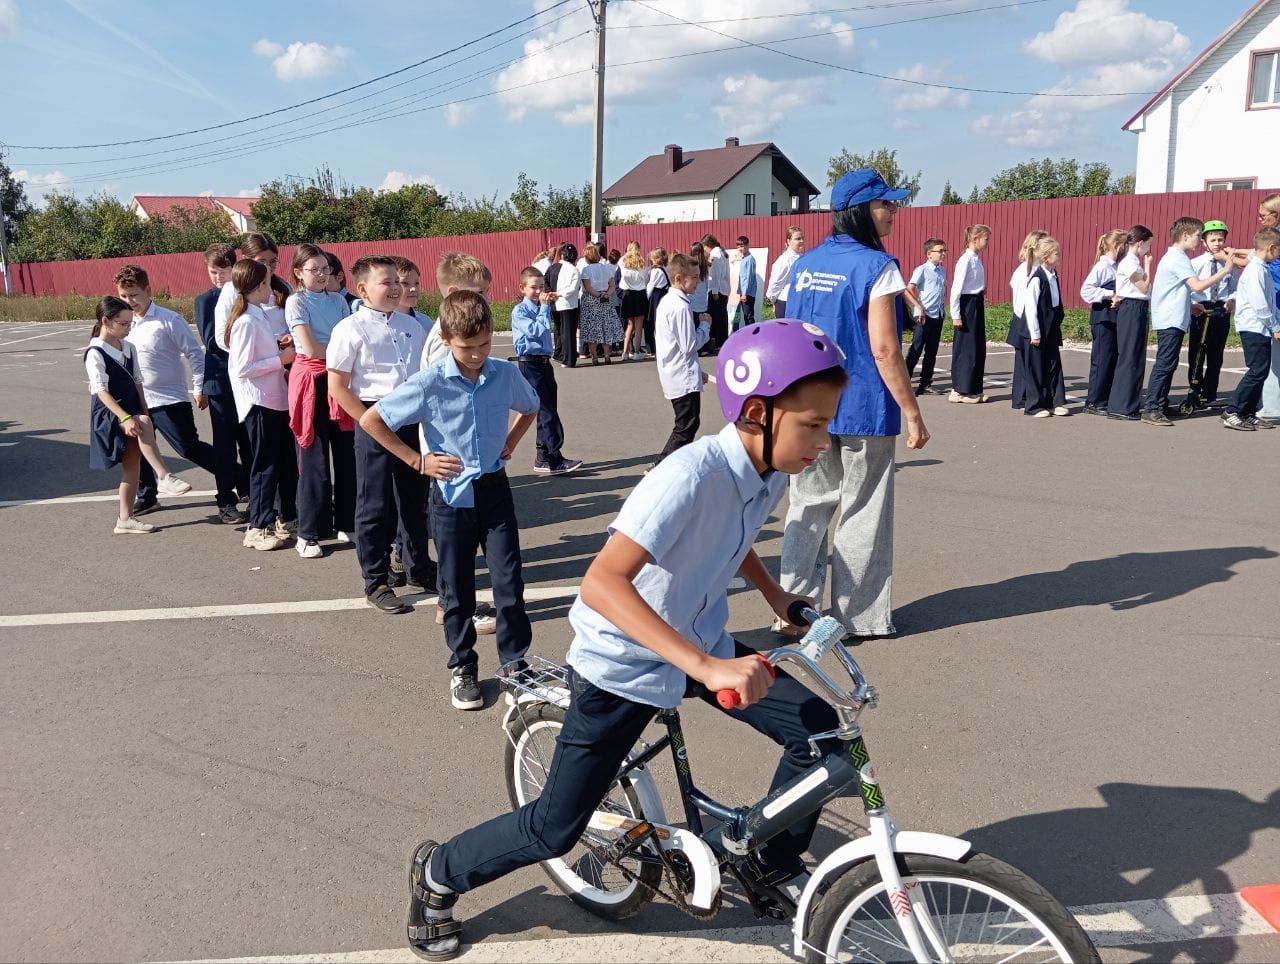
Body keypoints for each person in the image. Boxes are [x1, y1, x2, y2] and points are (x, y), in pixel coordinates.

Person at [403, 320, 851, 963]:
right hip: (625, 662)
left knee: (822, 735)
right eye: (813, 424)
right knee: (555, 828)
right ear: (759, 412)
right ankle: (437, 872)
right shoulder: (690, 473)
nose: (824, 440)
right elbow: (603, 583)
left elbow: (732, 534)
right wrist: (708, 665)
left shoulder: (770, 467)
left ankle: (766, 859)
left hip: (697, 642)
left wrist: (776, 597)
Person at [361, 290, 540, 711]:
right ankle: (463, 666)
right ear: (445, 337)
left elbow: (530, 407)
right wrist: (416, 460)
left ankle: (515, 663)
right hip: (450, 495)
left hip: (494, 490)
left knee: (509, 583)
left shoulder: (502, 373)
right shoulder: (429, 382)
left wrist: (510, 443)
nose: (476, 355)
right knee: (455, 589)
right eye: (466, 347)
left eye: (482, 345)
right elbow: (373, 419)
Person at [778, 168, 931, 640]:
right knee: (863, 508)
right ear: (862, 210)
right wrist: (913, 411)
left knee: (807, 505)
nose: (894, 211)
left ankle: (792, 610)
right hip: (864, 405)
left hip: (808, 404)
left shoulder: (804, 265)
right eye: (887, 204)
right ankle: (856, 617)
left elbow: (790, 333)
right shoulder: (877, 266)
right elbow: (885, 349)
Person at [327, 255, 431, 614]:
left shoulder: (412, 326)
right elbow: (338, 387)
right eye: (386, 283)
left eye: (397, 283)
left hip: (412, 414)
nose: (396, 289)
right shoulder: (349, 329)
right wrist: (369, 420)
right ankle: (376, 578)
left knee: (415, 497)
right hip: (373, 415)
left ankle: (418, 565)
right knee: (375, 503)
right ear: (362, 289)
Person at [114, 265, 209, 516]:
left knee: (188, 447)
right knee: (138, 450)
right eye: (123, 296)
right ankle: (147, 496)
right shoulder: (122, 324)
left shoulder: (169, 319)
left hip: (168, 397)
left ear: (148, 290)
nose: (129, 301)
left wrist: (199, 387)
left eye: (133, 294)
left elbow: (195, 354)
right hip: (136, 399)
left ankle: (238, 478)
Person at [84, 296, 181, 535]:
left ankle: (124, 519)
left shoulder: (128, 347)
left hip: (131, 407)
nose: (128, 328)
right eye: (123, 323)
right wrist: (127, 418)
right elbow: (100, 391)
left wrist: (142, 409)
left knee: (132, 465)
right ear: (106, 321)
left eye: (130, 323)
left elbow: (137, 380)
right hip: (110, 412)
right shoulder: (95, 351)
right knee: (142, 429)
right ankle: (163, 475)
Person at [285, 243, 355, 558]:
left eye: (326, 268)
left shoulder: (339, 301)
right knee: (314, 460)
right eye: (315, 269)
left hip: (339, 379)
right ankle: (308, 532)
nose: (322, 274)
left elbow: (348, 342)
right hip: (311, 381)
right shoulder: (295, 302)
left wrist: (341, 352)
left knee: (347, 455)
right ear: (299, 273)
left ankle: (346, 521)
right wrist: (340, 352)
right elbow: (311, 349)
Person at [225, 259, 299, 551]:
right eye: (268, 281)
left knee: (283, 464)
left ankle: (282, 518)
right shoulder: (245, 320)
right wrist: (280, 360)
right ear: (259, 286)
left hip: (274, 399)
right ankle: (257, 526)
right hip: (259, 402)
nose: (272, 287)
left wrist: (278, 347)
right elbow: (243, 367)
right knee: (265, 466)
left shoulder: (257, 316)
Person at [1143, 217, 1237, 427]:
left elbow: (1179, 288)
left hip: (1177, 315)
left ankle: (1161, 403)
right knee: (1165, 364)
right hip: (1170, 318)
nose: (1198, 240)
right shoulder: (1178, 258)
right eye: (1197, 236)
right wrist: (1226, 268)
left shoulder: (1178, 257)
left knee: (1170, 363)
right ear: (1185, 235)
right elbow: (1197, 286)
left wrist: (1190, 305)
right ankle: (1151, 408)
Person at [194, 244, 250, 523]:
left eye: (223, 271)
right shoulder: (206, 300)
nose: (218, 277)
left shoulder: (245, 292)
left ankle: (251, 490)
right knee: (225, 444)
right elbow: (212, 341)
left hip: (246, 378)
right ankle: (225, 499)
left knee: (248, 440)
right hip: (220, 380)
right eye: (213, 271)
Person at [512, 266, 582, 476]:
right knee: (546, 412)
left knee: (549, 408)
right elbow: (535, 331)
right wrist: (544, 307)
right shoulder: (521, 311)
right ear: (522, 288)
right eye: (534, 287)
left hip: (544, 362)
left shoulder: (540, 307)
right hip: (530, 363)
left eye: (541, 286)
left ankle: (543, 456)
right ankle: (552, 458)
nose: (539, 291)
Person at [653, 251, 711, 463]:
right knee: (687, 424)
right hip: (681, 376)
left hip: (679, 372)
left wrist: (697, 371)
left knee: (688, 422)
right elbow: (689, 345)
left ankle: (668, 464)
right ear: (679, 278)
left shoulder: (670, 302)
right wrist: (705, 326)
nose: (698, 281)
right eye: (694, 277)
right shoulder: (679, 306)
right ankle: (663, 465)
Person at [1222, 226, 1280, 432]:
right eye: (1279, 250)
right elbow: (1260, 304)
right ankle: (1232, 411)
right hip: (1254, 327)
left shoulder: (1262, 267)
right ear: (1271, 248)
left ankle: (1247, 412)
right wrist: (1274, 325)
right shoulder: (1255, 270)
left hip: (1261, 327)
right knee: (1257, 371)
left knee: (1261, 371)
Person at [1009, 236, 1066, 418]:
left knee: (1053, 364)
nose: (1059, 256)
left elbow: (1055, 303)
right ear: (1046, 257)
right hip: (1037, 329)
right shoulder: (1036, 279)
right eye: (1056, 253)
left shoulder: (1053, 275)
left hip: (1050, 328)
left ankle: (1054, 402)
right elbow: (1030, 308)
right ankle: (1034, 405)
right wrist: (1035, 333)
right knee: (1036, 368)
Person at [1186, 220, 1236, 411]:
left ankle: (1210, 392)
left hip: (1220, 308)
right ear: (1204, 242)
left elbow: (1233, 288)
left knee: (1216, 354)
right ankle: (1194, 389)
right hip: (1201, 307)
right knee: (1198, 351)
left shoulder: (1229, 265)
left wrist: (1232, 299)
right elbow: (1189, 288)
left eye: (1220, 239)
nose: (1217, 243)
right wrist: (1193, 304)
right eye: (1213, 239)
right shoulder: (1195, 263)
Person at [1108, 225, 1154, 422]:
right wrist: (1149, 265)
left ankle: (1128, 403)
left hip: (1137, 308)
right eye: (1149, 244)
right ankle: (1122, 405)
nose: (1149, 249)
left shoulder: (1132, 262)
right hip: (1132, 307)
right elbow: (1143, 287)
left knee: (1135, 356)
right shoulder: (1130, 263)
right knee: (1130, 356)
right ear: (1141, 243)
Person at [1080, 230, 1128, 416]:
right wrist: (1109, 295)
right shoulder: (1102, 267)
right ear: (1117, 246)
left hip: (1114, 318)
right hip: (1103, 318)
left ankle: (1105, 398)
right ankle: (1094, 401)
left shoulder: (1116, 266)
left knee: (1112, 359)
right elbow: (1086, 291)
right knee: (1102, 360)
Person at [1005, 230, 1051, 413]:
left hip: (1023, 317)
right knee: (1026, 361)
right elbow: (1024, 299)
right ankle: (1023, 397)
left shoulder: (1030, 268)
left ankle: (1021, 397)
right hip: (1024, 318)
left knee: (1024, 361)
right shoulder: (1027, 269)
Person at [947, 224, 991, 404]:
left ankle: (972, 388)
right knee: (966, 348)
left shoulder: (976, 258)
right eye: (985, 239)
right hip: (966, 305)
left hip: (975, 302)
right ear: (975, 238)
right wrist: (956, 314)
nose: (987, 243)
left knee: (977, 347)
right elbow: (956, 289)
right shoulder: (965, 260)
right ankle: (959, 390)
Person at [904, 237, 947, 396]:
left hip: (937, 314)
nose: (943, 253)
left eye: (944, 250)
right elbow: (909, 289)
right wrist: (918, 306)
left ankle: (925, 383)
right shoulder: (921, 270)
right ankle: (905, 382)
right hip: (924, 315)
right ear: (929, 254)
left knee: (932, 350)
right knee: (916, 349)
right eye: (940, 251)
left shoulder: (942, 271)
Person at [1253, 195, 1280, 422]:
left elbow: (1262, 261)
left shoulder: (1276, 241)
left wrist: (1232, 257)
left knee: (1274, 360)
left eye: (1263, 216)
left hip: (1278, 303)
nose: (1260, 219)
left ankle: (1271, 409)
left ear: (1276, 214)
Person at [578, 243, 621, 365]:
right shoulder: (606, 268)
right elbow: (612, 285)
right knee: (605, 326)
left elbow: (588, 287)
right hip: (605, 298)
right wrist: (606, 294)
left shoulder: (586, 270)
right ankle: (607, 356)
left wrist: (598, 295)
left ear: (587, 257)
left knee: (593, 329)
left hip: (591, 300)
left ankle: (595, 357)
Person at [552, 243, 581, 369]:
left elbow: (547, 281)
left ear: (562, 255)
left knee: (559, 331)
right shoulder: (574, 270)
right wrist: (559, 293)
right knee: (569, 333)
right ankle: (569, 359)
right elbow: (573, 289)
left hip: (554, 303)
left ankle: (559, 354)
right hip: (569, 304)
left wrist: (552, 294)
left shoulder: (553, 268)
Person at [618, 242, 650, 360]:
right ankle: (636, 352)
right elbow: (646, 280)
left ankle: (625, 352)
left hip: (627, 293)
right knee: (638, 324)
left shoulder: (623, 261)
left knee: (629, 325)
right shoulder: (641, 262)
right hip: (640, 294)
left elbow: (620, 275)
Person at [765, 226, 805, 319]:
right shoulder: (785, 260)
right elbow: (775, 284)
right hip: (785, 303)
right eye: (797, 239)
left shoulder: (802, 257)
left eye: (802, 238)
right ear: (788, 241)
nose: (802, 241)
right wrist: (773, 301)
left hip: (798, 302)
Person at [703, 233, 730, 350]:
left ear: (708, 245)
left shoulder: (715, 254)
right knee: (721, 316)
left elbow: (715, 274)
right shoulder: (722, 253)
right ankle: (721, 341)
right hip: (723, 289)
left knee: (717, 318)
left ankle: (718, 342)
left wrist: (714, 291)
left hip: (717, 290)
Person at [688, 241, 713, 356]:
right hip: (703, 298)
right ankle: (705, 346)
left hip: (692, 298)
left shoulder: (691, 265)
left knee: (694, 324)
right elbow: (707, 282)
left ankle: (696, 348)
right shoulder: (706, 265)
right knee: (703, 322)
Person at [644, 246, 670, 356]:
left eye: (653, 258)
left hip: (656, 297)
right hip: (664, 295)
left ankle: (652, 348)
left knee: (651, 323)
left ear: (657, 259)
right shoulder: (666, 269)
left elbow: (651, 286)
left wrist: (646, 297)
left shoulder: (655, 271)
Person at [734, 235, 758, 328]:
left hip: (747, 293)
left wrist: (744, 293)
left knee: (749, 317)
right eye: (738, 246)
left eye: (742, 246)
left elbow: (748, 277)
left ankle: (753, 338)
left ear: (748, 246)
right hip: (744, 293)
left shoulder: (750, 259)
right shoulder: (744, 258)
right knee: (746, 316)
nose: (740, 248)